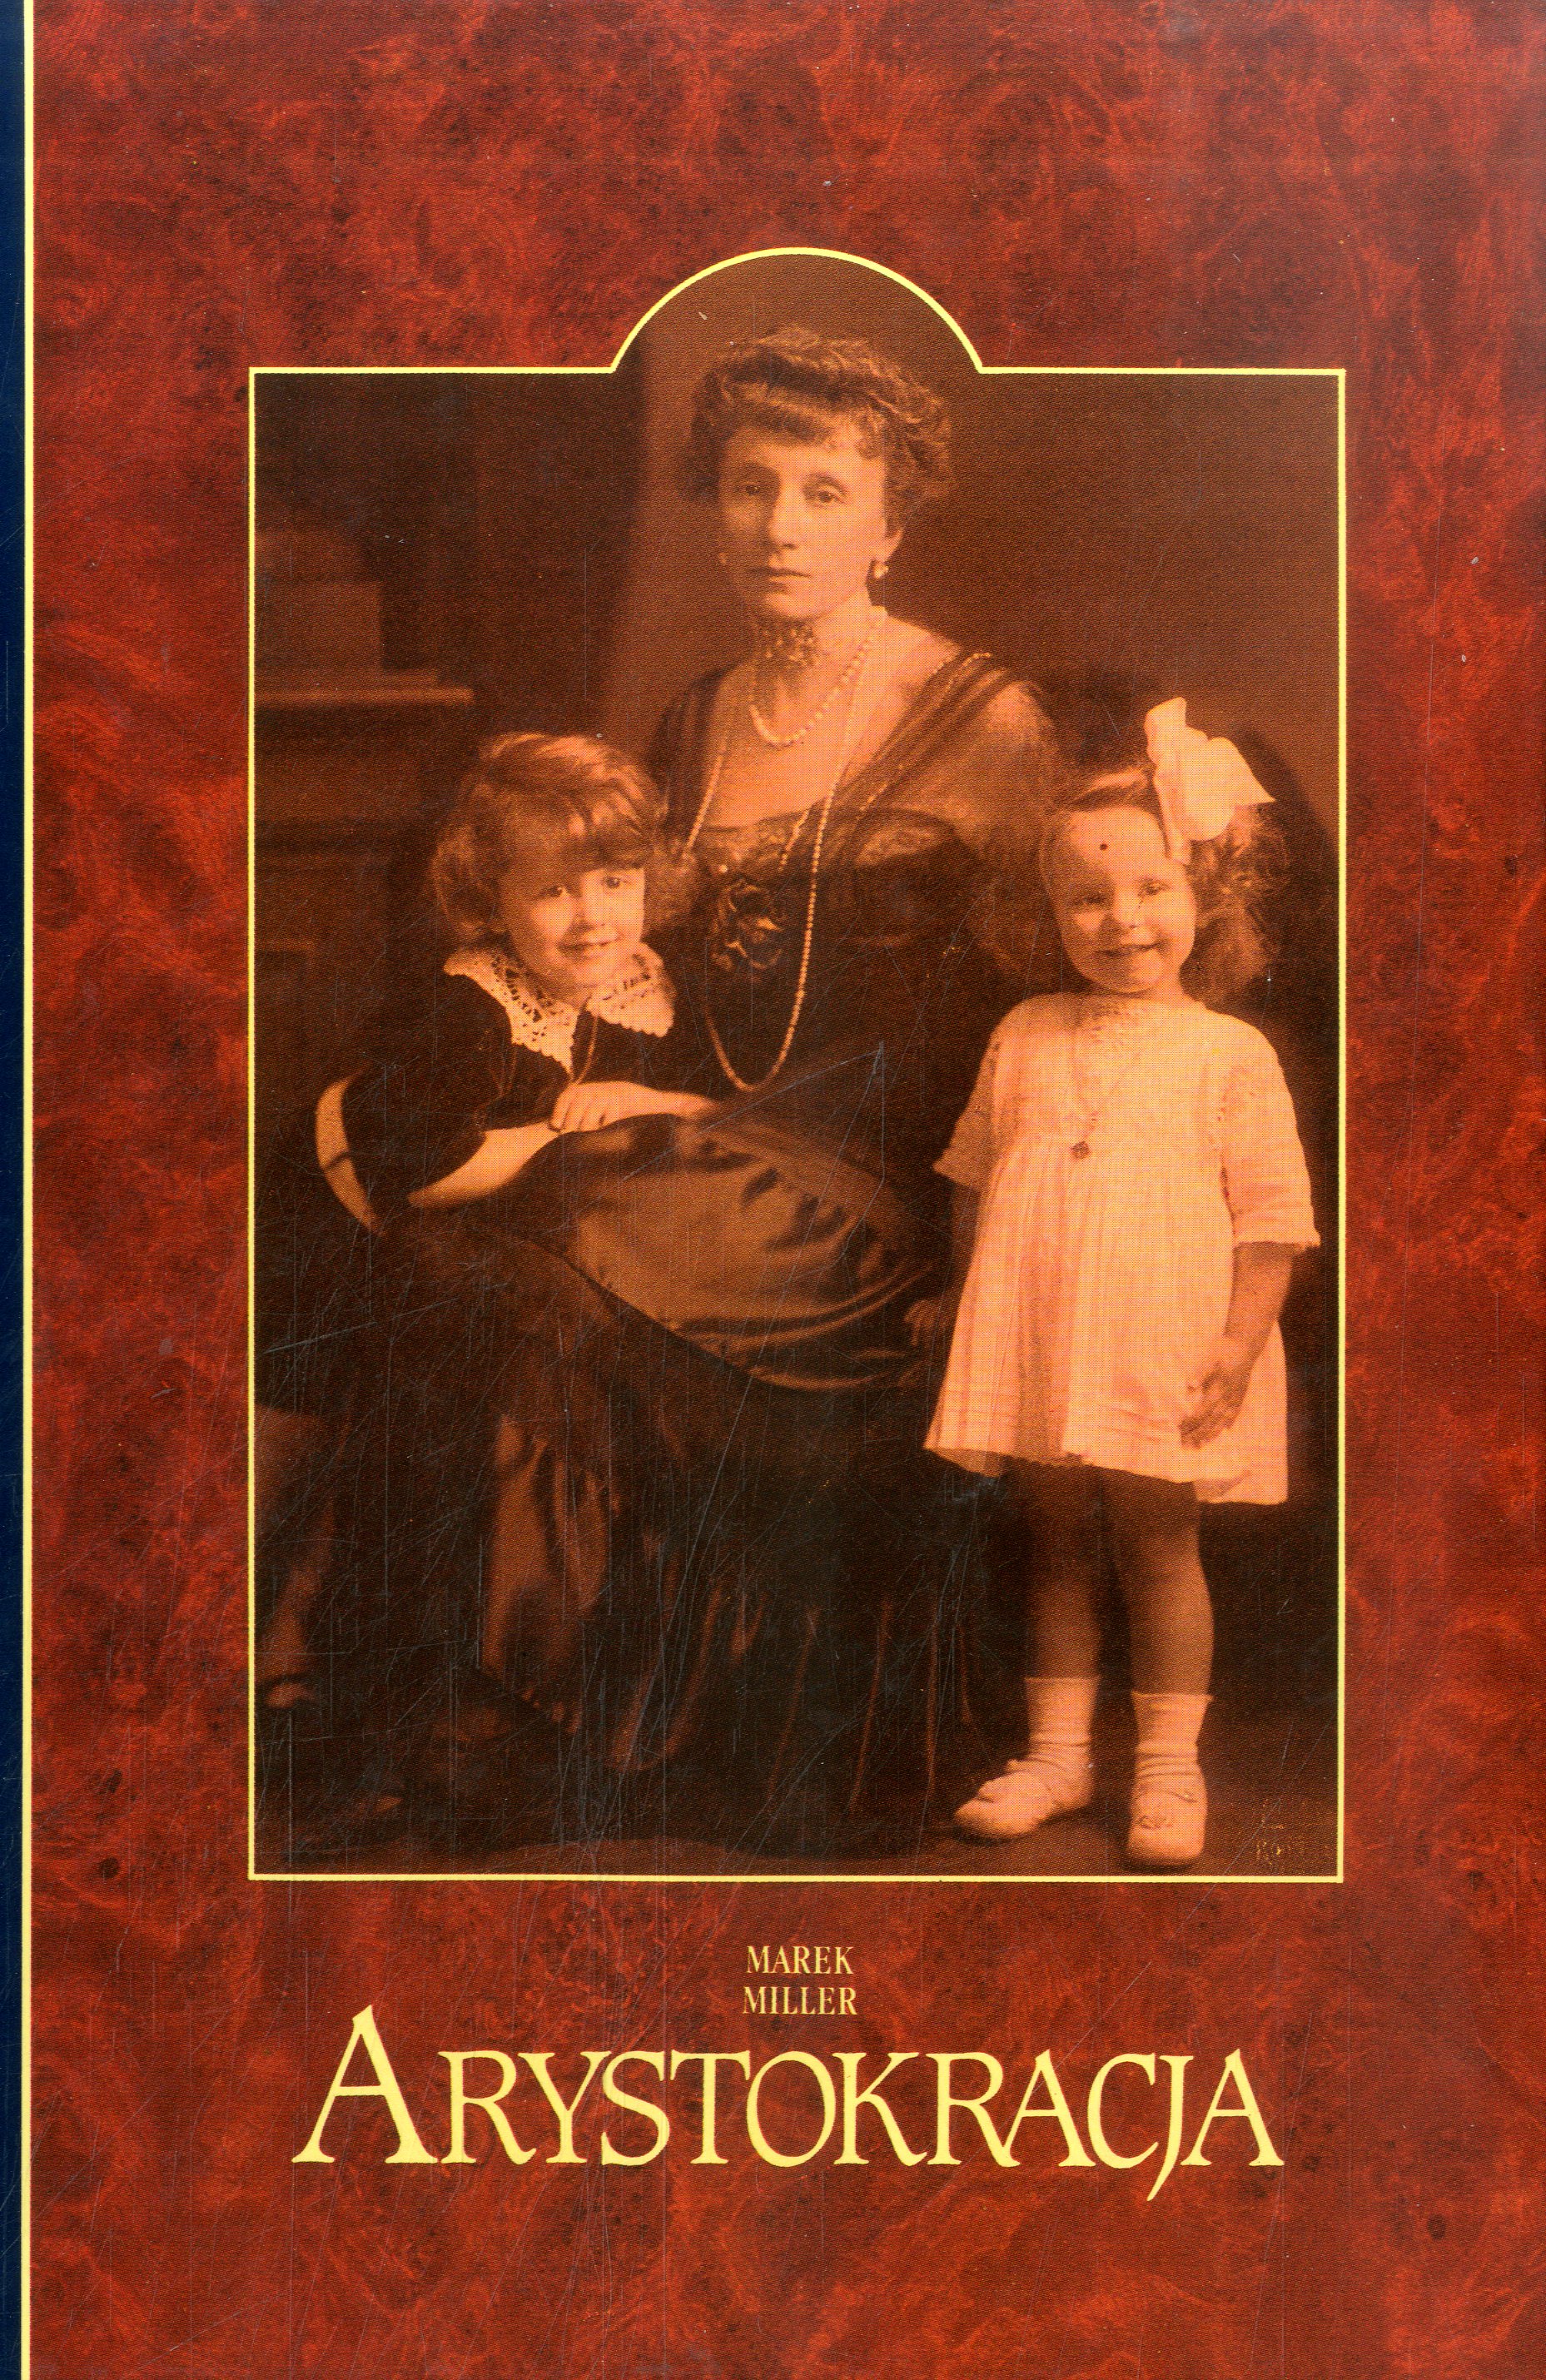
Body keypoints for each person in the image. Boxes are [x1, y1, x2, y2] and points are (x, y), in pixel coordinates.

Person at [315, 325, 1065, 1853]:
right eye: (749, 486)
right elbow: (627, 984)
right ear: (713, 511)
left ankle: (509, 1719)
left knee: (556, 1205)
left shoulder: (983, 717)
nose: (781, 524)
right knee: (473, 1251)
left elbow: (1050, 1015)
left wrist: (989, 1243)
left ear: (889, 524)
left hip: (879, 1189)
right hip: (696, 1143)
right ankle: (497, 1715)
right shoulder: (693, 718)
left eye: (824, 491)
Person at [921, 699, 1319, 1866]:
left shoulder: (1229, 1054)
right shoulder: (1024, 1030)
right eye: (1087, 898)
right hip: (1040, 1332)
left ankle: (1167, 1768)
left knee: (1157, 1545)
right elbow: (974, 1179)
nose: (1122, 920)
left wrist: (1239, 1344)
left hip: (1165, 1341)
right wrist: (960, 1299)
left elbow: (1274, 1225)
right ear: (1046, 912)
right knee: (1050, 1540)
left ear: (1208, 898)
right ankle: (1059, 1756)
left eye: (1152, 890)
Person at [252, 731, 713, 1739]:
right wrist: (559, 1133)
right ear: (492, 899)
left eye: (616, 881)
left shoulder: (647, 987)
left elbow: (707, 1110)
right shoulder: (470, 1003)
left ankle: (431, 1647)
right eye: (553, 891)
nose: (593, 917)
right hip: (343, 1223)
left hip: (483, 1259)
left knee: (456, 1415)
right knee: (295, 1446)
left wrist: (650, 1102)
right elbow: (419, 1170)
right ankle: (270, 1631)